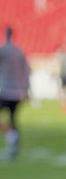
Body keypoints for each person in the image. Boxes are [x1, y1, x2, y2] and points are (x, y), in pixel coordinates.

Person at [0, 26, 29, 161]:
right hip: (18, 91)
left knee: (10, 118)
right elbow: (27, 71)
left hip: (6, 90)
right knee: (13, 118)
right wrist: (27, 90)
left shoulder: (4, 51)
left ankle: (11, 137)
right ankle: (13, 142)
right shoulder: (19, 52)